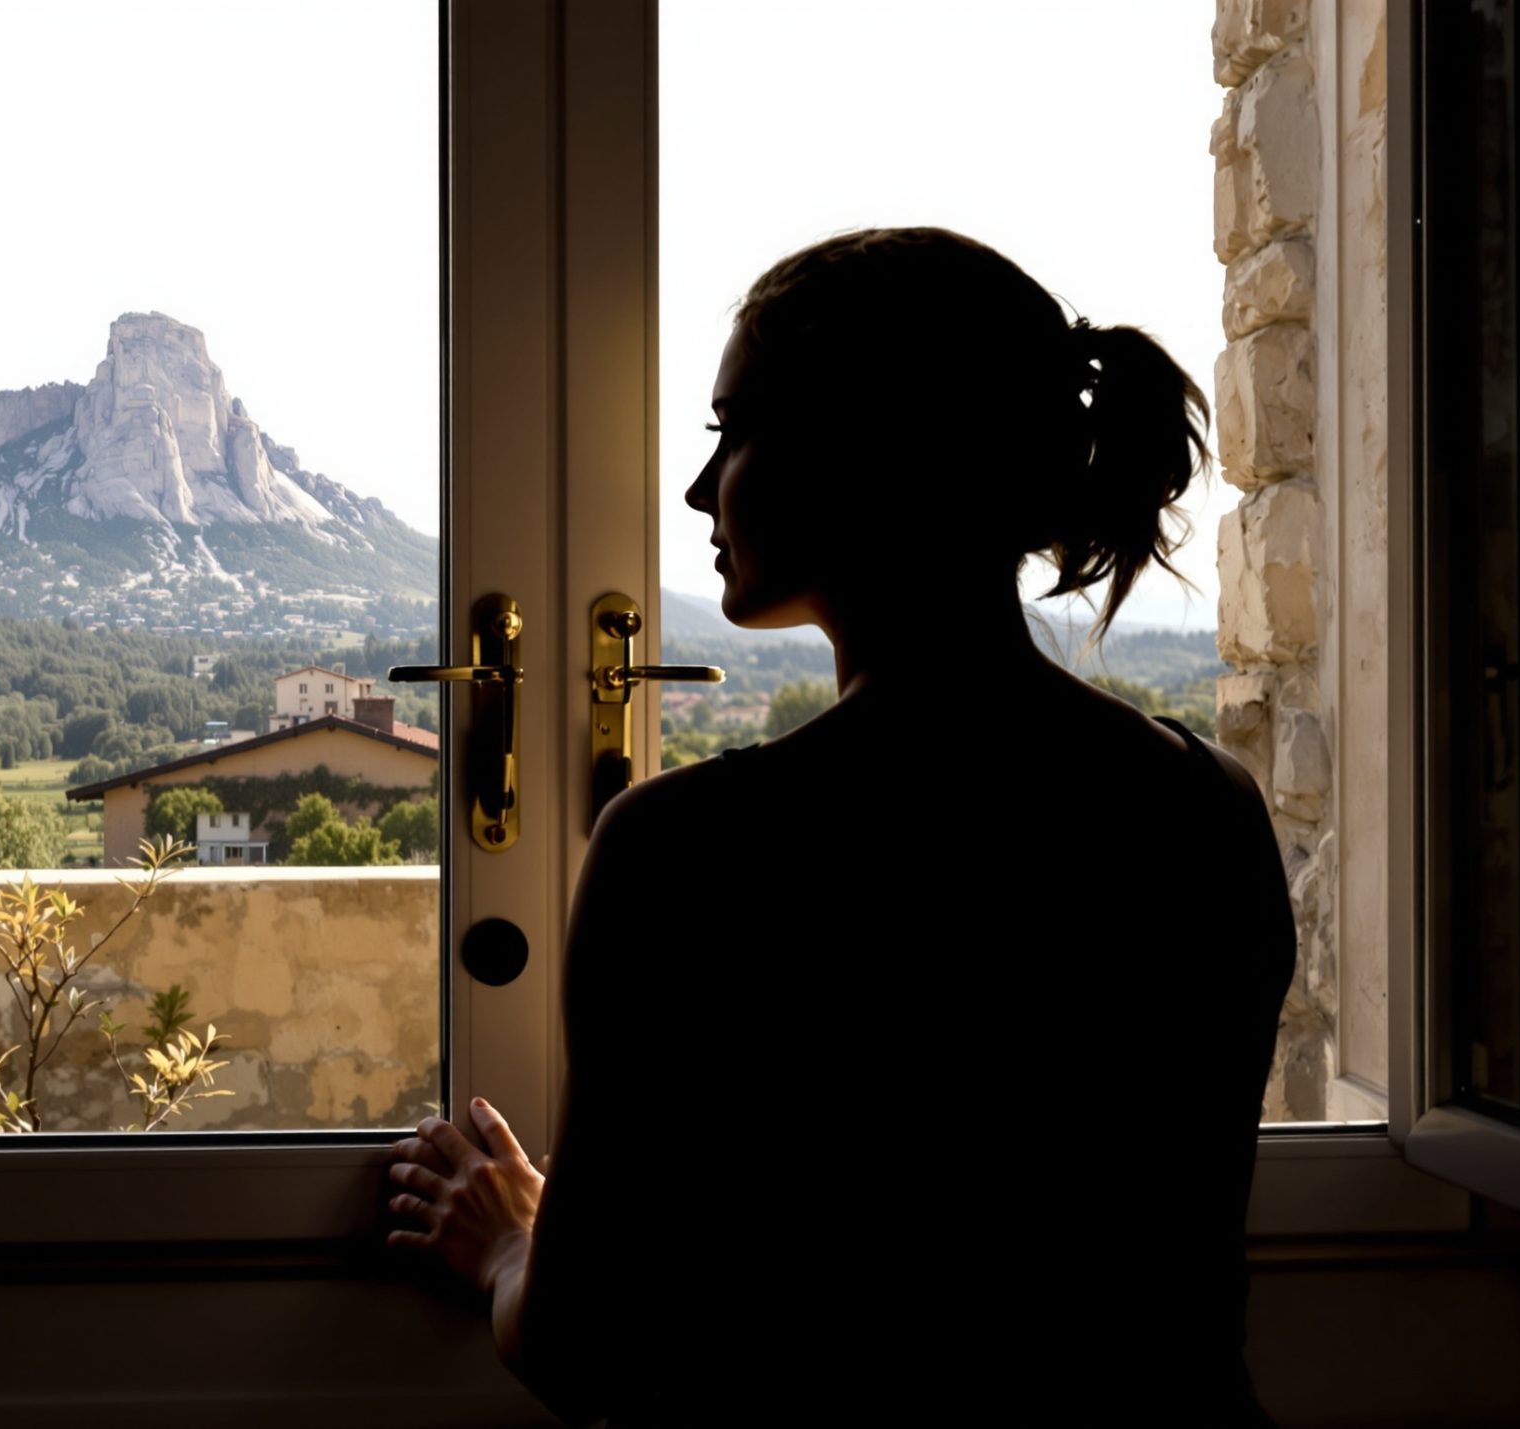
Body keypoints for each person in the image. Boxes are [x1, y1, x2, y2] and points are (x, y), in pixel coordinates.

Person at [387, 227, 1295, 1425]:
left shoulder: (690, 852)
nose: (700, 490)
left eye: (733, 433)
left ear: (867, 450)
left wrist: (512, 1245)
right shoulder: (1204, 810)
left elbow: (583, 1345)